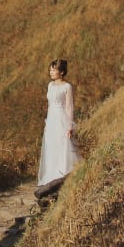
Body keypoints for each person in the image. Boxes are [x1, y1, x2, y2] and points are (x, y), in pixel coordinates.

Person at [37, 58, 80, 187]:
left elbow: (69, 107)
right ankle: (52, 176)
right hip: (51, 120)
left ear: (61, 72)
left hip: (61, 118)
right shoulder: (50, 85)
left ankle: (63, 174)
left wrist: (69, 126)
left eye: (53, 70)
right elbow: (50, 105)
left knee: (62, 145)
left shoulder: (67, 87)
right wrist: (47, 123)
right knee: (51, 146)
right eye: (50, 70)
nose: (51, 72)